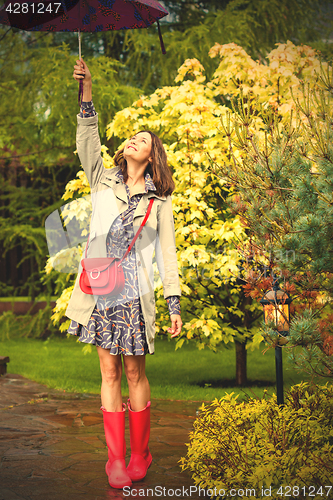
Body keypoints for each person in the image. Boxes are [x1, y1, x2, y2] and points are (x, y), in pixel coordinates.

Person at [66, 58, 183, 490]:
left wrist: (173, 304)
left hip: (134, 295)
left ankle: (141, 453)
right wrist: (87, 92)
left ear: (153, 156)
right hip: (101, 290)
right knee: (109, 373)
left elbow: (167, 254)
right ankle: (115, 459)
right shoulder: (102, 179)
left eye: (142, 140)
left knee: (134, 373)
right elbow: (87, 141)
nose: (132, 141)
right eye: (131, 137)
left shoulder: (161, 203)